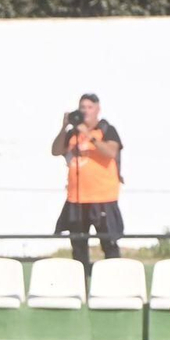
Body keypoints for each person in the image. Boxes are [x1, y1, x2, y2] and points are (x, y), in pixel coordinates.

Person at [52, 93, 123, 271]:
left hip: (103, 198)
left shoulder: (106, 129)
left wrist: (89, 135)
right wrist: (64, 128)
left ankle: (113, 282)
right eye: (82, 107)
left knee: (109, 244)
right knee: (78, 246)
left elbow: (111, 152)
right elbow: (55, 150)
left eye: (89, 107)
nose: (85, 111)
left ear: (97, 109)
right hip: (77, 199)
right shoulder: (72, 133)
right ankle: (81, 285)